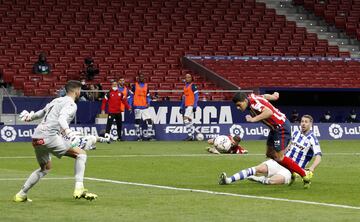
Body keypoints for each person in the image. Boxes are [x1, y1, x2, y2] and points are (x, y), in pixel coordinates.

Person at [14, 80, 98, 202]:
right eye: (80, 90)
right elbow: (62, 119)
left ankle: (21, 194)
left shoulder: (56, 100)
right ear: (76, 91)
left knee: (45, 168)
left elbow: (41, 113)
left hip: (37, 138)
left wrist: (29, 117)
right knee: (81, 154)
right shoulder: (71, 104)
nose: (80, 92)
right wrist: (69, 133)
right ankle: (79, 187)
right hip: (50, 137)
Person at [221, 92, 313, 188]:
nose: (238, 108)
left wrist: (253, 119)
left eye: (239, 105)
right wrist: (273, 97)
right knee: (269, 154)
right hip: (274, 128)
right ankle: (292, 171)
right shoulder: (251, 98)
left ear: (244, 101)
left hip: (281, 127)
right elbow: (264, 96)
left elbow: (269, 112)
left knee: (279, 157)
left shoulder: (254, 104)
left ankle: (304, 174)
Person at [221, 115, 322, 185]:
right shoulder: (295, 133)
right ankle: (229, 180)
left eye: (306, 122)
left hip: (293, 169)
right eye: (302, 121)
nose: (303, 124)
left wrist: (312, 168)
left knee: (272, 182)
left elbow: (318, 156)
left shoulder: (312, 139)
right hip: (282, 160)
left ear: (311, 124)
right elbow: (288, 146)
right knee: (257, 169)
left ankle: (261, 179)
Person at [129, 73, 155, 141]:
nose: (141, 78)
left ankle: (149, 136)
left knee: (149, 120)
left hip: (144, 106)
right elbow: (131, 97)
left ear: (144, 78)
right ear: (138, 78)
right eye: (140, 77)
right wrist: (130, 105)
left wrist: (148, 103)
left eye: (142, 77)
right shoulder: (134, 86)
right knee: (137, 121)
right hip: (137, 106)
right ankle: (138, 136)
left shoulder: (146, 86)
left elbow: (148, 96)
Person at [180, 74, 199, 141]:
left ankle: (190, 135)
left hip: (191, 105)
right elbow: (184, 98)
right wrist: (181, 107)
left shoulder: (193, 86)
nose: (188, 78)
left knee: (185, 119)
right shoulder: (185, 87)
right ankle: (192, 136)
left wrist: (195, 106)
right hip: (186, 105)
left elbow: (196, 96)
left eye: (189, 77)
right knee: (189, 120)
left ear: (191, 78)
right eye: (186, 77)